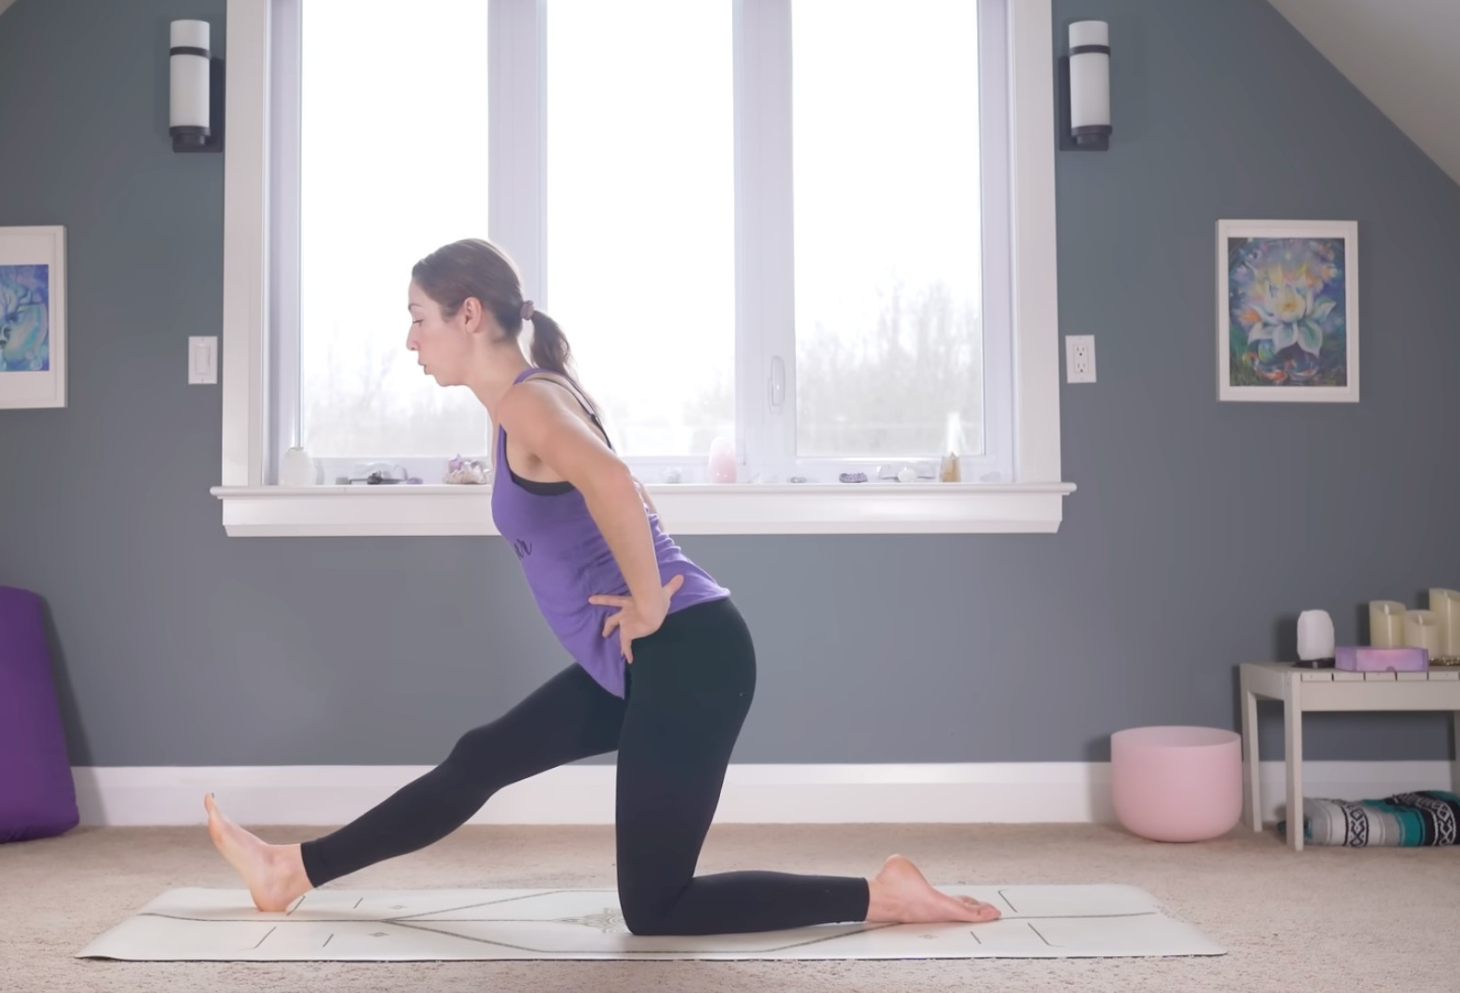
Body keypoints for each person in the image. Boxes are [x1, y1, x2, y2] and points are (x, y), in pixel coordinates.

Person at [204, 238, 1001, 936]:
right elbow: (615, 498)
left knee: (657, 908)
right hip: (645, 656)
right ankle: (292, 873)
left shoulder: (530, 405)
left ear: (469, 314)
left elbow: (617, 481)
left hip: (687, 654)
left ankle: (883, 896)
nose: (409, 339)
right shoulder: (525, 398)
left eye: (419, 317)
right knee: (483, 757)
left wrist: (651, 601)